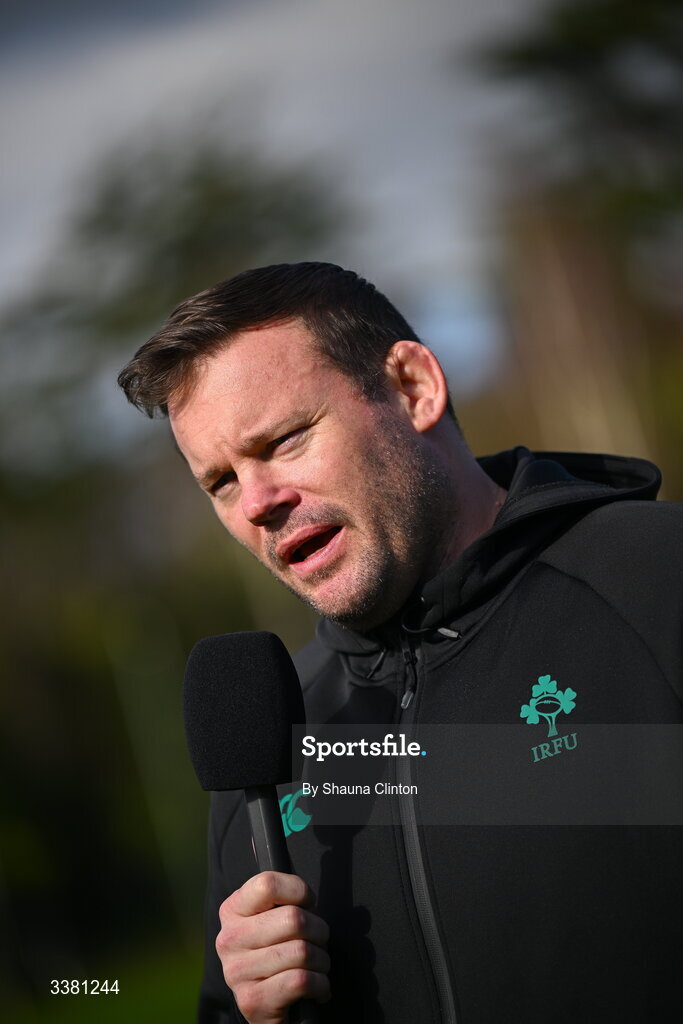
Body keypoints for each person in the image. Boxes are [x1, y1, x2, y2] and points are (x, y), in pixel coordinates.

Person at [118, 262, 683, 1024]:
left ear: (413, 388)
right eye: (220, 481)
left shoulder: (657, 582)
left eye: (284, 440)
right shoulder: (266, 745)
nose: (257, 503)